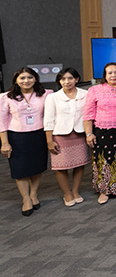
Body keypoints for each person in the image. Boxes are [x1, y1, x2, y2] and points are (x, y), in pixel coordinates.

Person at [1, 68, 52, 215]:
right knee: (20, 170)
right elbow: (2, 121)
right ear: (16, 80)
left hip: (38, 135)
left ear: (35, 79)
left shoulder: (46, 94)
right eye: (22, 78)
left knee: (37, 167)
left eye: (30, 77)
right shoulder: (6, 97)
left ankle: (33, 194)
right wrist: (4, 143)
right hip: (17, 137)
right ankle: (25, 199)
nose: (26, 81)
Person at [84, 63, 116, 204]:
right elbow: (88, 113)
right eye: (109, 73)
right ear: (104, 75)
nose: (113, 75)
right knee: (103, 161)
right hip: (102, 131)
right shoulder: (95, 90)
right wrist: (89, 133)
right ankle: (104, 190)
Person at [44, 67, 90, 207]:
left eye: (70, 78)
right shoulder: (53, 97)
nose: (67, 81)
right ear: (59, 81)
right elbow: (48, 120)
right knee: (61, 167)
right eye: (63, 79)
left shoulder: (86, 94)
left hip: (80, 134)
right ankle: (67, 193)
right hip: (60, 135)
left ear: (77, 79)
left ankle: (75, 191)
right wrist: (49, 141)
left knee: (79, 164)